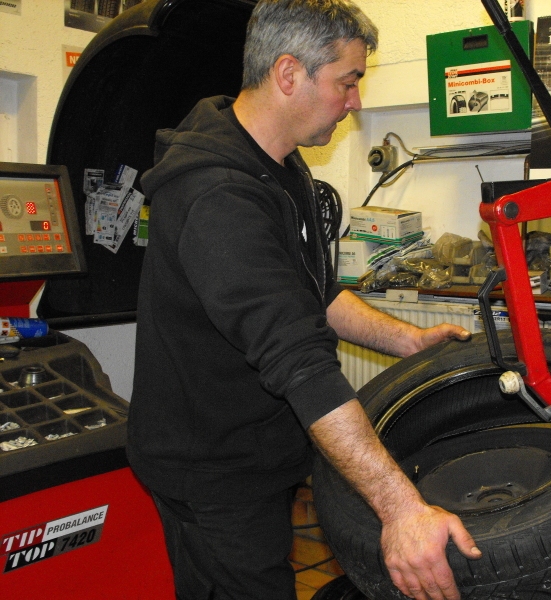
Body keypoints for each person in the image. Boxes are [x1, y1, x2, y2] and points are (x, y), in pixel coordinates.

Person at [126, 1, 482, 599]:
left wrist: (408, 339)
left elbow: (312, 291)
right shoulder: (217, 197)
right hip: (210, 470)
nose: (356, 102)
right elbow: (299, 360)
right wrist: (402, 510)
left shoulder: (280, 165)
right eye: (348, 82)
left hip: (260, 451)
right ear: (289, 73)